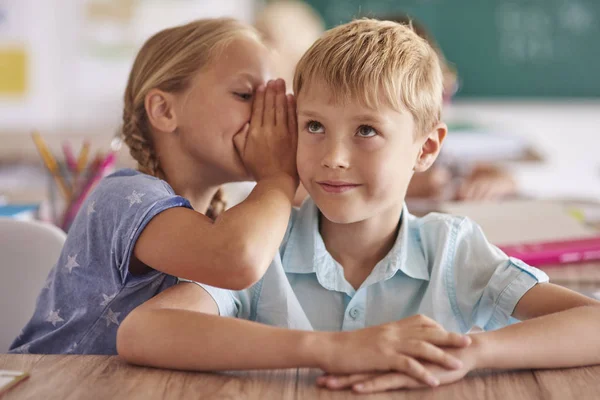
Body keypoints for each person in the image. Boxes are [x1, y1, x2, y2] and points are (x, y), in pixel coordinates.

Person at [116, 18, 600, 393]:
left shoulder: (451, 250)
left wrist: (469, 353)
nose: (333, 158)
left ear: (426, 149)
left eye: (366, 131)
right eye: (313, 127)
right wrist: (331, 350)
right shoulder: (266, 247)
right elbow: (142, 332)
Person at [9, 18, 299, 355]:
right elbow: (237, 260)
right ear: (163, 110)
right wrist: (279, 176)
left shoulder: (226, 220)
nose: (267, 116)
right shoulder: (122, 198)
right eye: (246, 94)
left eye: (274, 101)